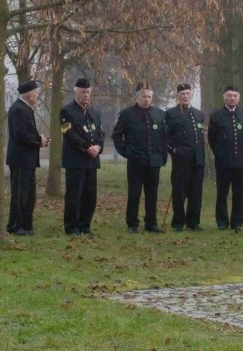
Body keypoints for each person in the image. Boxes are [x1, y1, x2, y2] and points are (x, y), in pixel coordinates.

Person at [112, 83, 169, 232]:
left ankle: (151, 223)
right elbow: (116, 136)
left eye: (149, 96)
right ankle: (132, 223)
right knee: (134, 193)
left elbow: (164, 137)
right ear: (137, 97)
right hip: (136, 161)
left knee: (152, 194)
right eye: (143, 96)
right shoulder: (127, 114)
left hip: (154, 161)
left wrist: (163, 156)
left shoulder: (160, 114)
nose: (146, 99)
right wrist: (126, 152)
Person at [59, 77, 104, 235]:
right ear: (75, 92)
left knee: (90, 196)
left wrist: (98, 146)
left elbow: (100, 133)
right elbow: (68, 133)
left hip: (92, 161)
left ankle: (85, 225)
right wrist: (86, 148)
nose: (86, 95)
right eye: (83, 92)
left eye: (88, 92)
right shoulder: (66, 111)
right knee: (74, 195)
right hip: (75, 160)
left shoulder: (95, 113)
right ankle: (72, 226)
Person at [207, 86, 243, 232]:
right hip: (223, 162)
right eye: (229, 96)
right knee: (222, 193)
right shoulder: (217, 115)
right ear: (224, 97)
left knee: (238, 194)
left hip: (240, 162)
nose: (232, 98)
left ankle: (237, 222)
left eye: (235, 96)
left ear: (239, 98)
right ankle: (222, 222)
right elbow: (211, 138)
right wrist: (219, 153)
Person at [6, 78, 46, 234]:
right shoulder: (18, 110)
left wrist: (40, 140)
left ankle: (26, 225)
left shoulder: (25, 109)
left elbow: (27, 133)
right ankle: (15, 225)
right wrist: (39, 140)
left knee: (29, 195)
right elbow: (21, 134)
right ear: (30, 95)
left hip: (28, 159)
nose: (37, 96)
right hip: (20, 159)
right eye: (36, 93)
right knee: (20, 194)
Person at [164, 84, 206, 231]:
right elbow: (165, 137)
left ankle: (193, 222)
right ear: (177, 96)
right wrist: (174, 150)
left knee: (196, 193)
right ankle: (178, 223)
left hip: (198, 159)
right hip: (181, 160)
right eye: (182, 94)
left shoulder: (199, 114)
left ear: (192, 95)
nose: (185, 96)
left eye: (187, 93)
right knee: (179, 192)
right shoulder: (171, 113)